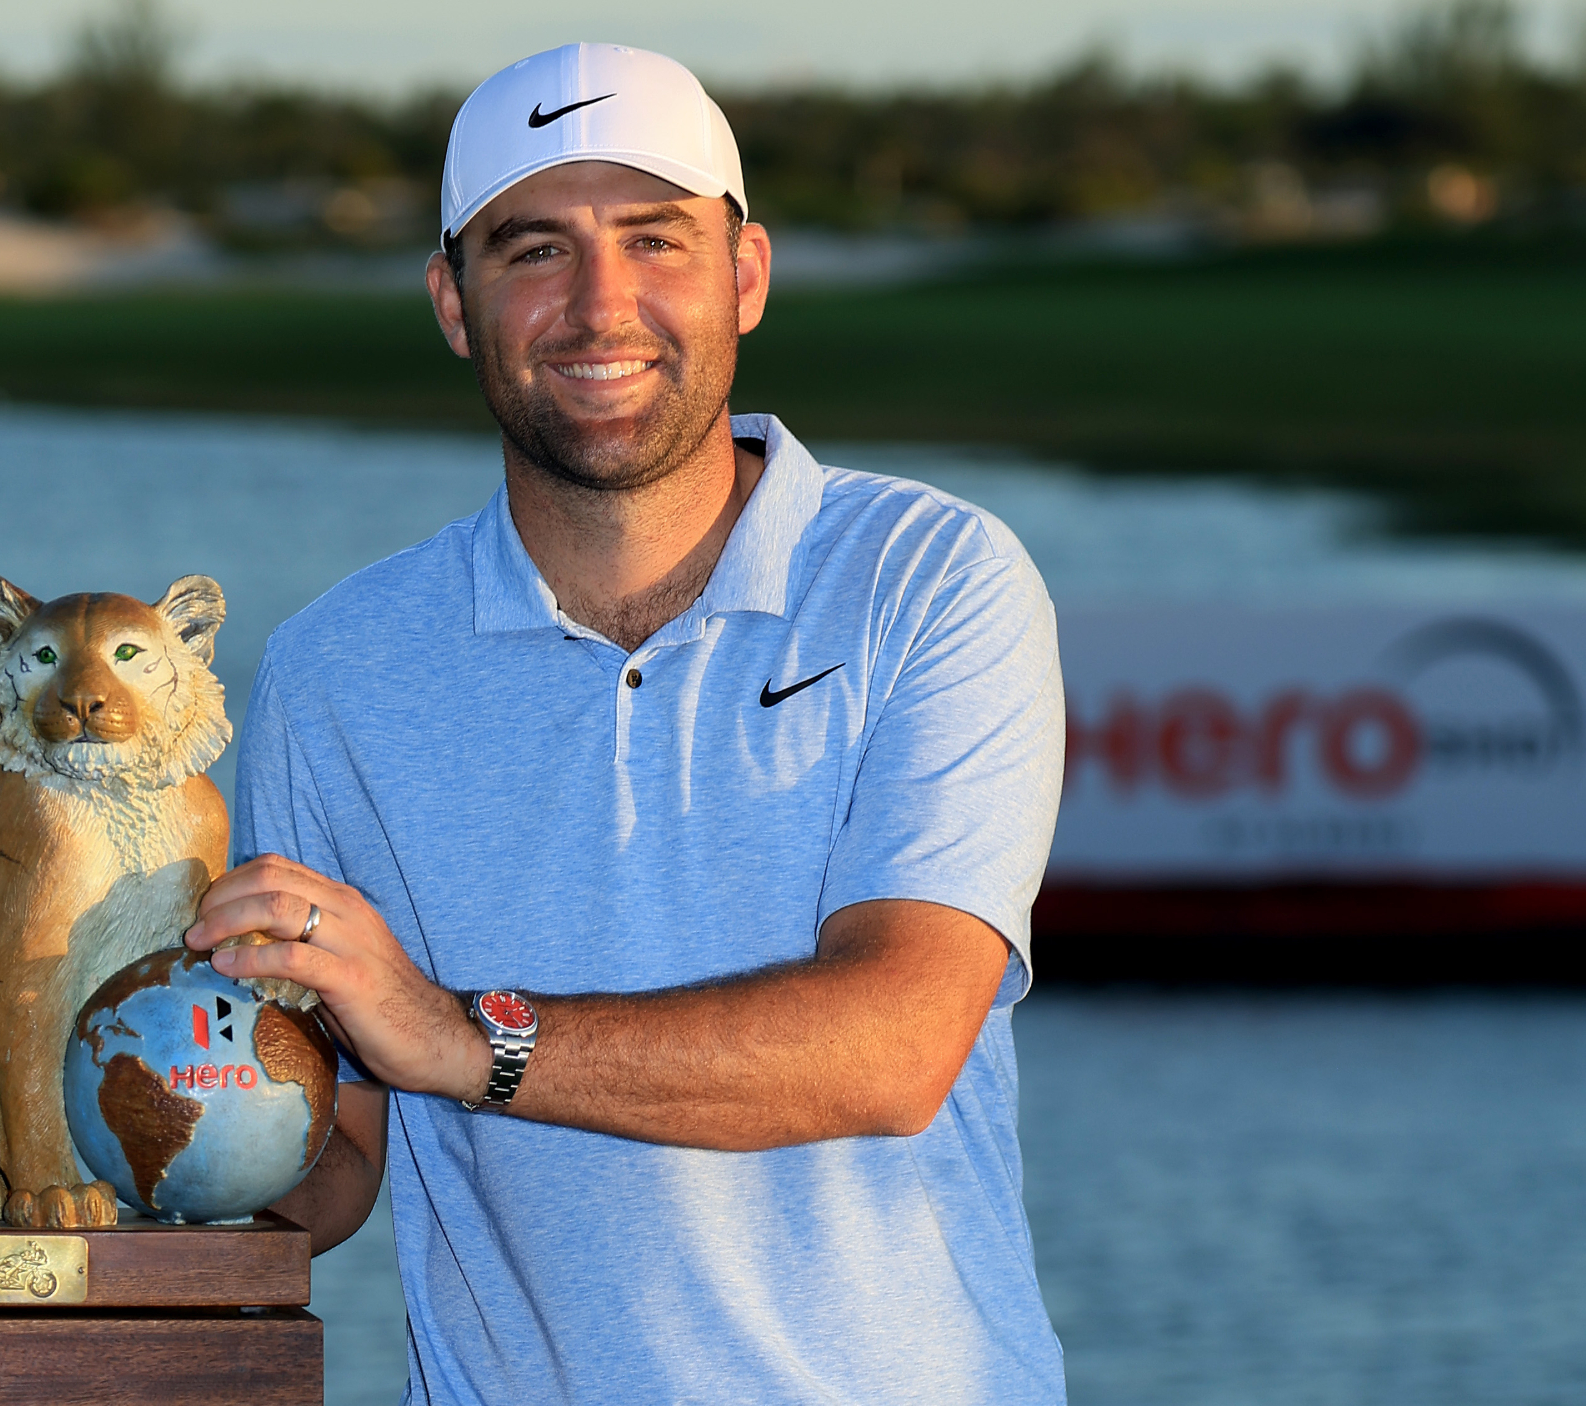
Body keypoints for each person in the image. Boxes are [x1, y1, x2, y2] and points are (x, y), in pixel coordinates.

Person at [185, 41, 1068, 1405]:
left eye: (654, 240)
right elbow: (336, 1156)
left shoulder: (930, 579)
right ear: (453, 303)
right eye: (533, 249)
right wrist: (139, 1126)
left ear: (747, 274)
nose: (600, 306)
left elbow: (895, 1043)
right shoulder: (336, 668)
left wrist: (458, 1037)